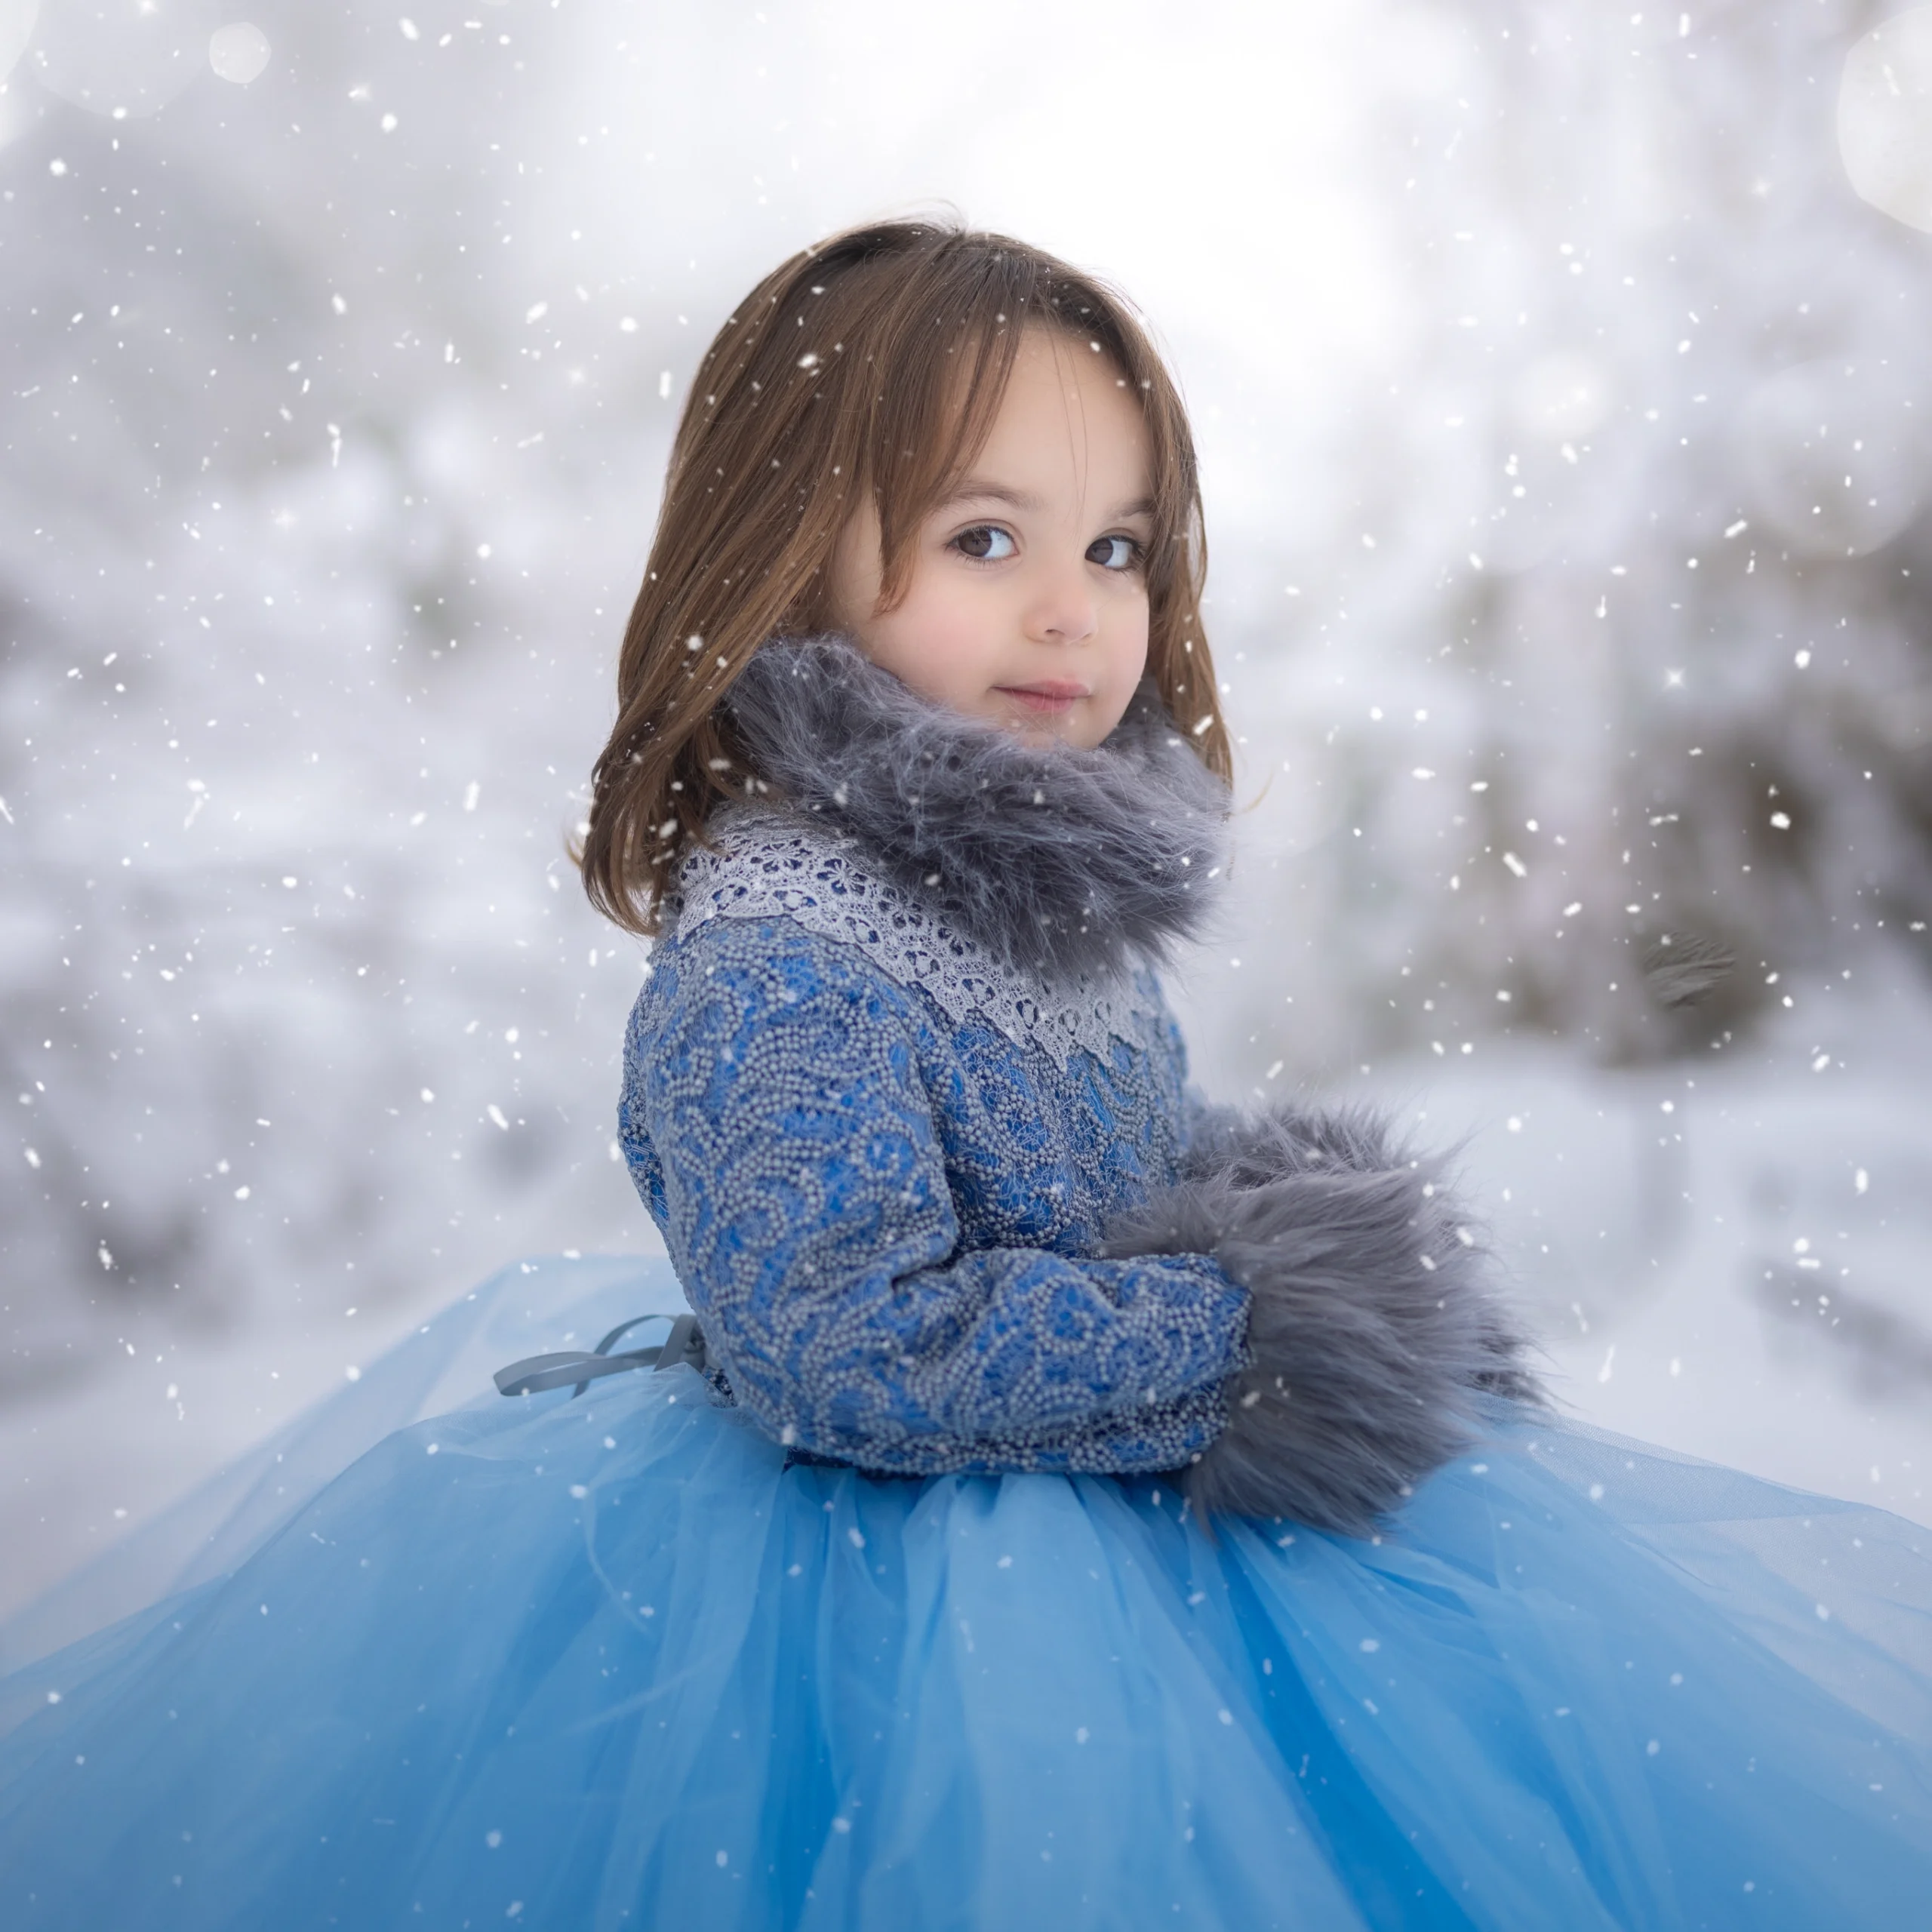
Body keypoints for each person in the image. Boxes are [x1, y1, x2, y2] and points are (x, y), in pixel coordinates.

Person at [2, 218, 1928, 1930]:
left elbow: (1114, 1163)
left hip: (1140, 1538)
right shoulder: (773, 956)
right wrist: (1267, 1332)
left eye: (1117, 548)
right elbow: (856, 1339)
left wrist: (1303, 1235)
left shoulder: (1036, 913)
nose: (1071, 608)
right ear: (789, 559)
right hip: (866, 1613)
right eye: (981, 537)